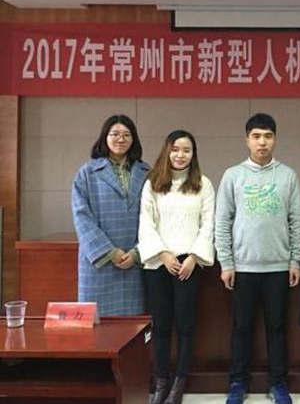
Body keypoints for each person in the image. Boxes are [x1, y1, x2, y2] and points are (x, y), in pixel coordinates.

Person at [215, 113, 300, 404]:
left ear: (275, 139)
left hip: (278, 266)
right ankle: (237, 383)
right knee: (241, 328)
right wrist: (226, 263)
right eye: (256, 136)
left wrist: (295, 260)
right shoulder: (233, 175)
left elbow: (297, 221)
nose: (262, 142)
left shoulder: (288, 176)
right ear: (247, 140)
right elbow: (222, 221)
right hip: (242, 267)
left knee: (277, 328)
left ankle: (278, 384)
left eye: (267, 136)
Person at [138, 130, 215, 404]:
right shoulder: (153, 183)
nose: (180, 155)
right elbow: (146, 222)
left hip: (189, 265)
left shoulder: (203, 184)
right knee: (160, 325)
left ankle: (179, 383)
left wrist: (193, 257)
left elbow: (208, 224)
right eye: (175, 149)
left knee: (186, 324)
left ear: (193, 155)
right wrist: (163, 254)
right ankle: (161, 382)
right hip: (159, 263)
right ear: (167, 151)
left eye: (186, 150)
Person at [71, 114, 149, 316]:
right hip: (99, 263)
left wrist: (137, 252)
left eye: (126, 135)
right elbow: (82, 217)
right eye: (115, 134)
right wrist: (110, 252)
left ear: (133, 139)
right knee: (98, 324)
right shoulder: (87, 173)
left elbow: (156, 217)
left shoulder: (147, 172)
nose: (120, 139)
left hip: (135, 261)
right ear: (105, 137)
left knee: (135, 326)